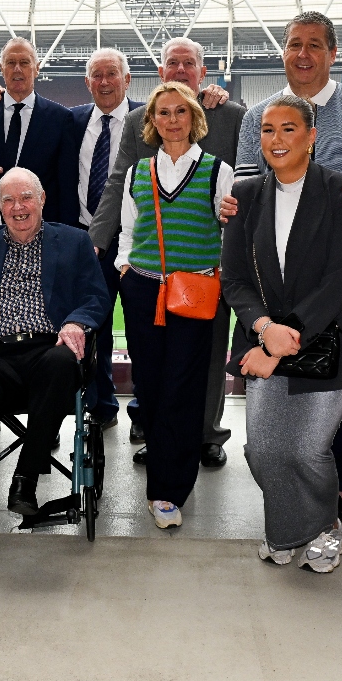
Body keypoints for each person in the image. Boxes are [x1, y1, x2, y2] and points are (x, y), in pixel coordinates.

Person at [226, 11, 342, 538]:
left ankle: (331, 502)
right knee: (275, 428)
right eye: (294, 44)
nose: (303, 53)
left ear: (332, 53)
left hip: (339, 278)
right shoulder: (258, 114)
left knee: (328, 408)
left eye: (314, 45)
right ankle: (292, 520)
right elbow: (251, 194)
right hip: (275, 284)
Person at [88, 37, 242, 466]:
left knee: (209, 353)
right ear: (160, 74)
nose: (179, 70)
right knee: (155, 356)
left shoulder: (231, 117)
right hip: (151, 267)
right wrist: (101, 242)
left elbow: (245, 186)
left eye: (188, 64)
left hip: (205, 266)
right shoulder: (140, 119)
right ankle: (160, 433)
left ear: (203, 73)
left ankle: (208, 434)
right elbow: (119, 182)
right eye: (171, 63)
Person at [0, 168, 109, 526]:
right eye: (8, 200)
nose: (18, 207)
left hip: (49, 347)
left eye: (26, 197)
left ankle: (25, 483)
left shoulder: (74, 241)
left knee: (61, 363)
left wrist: (75, 322)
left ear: (42, 200)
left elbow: (96, 297)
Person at [115, 82, 235, 529]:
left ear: (193, 119)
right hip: (143, 290)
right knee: (150, 385)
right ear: (152, 122)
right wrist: (126, 267)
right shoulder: (137, 172)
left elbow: (230, 234)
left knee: (183, 389)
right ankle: (161, 476)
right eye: (162, 112)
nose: (171, 120)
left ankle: (170, 489)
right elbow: (128, 231)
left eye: (179, 112)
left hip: (192, 293)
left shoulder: (216, 171)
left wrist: (213, 275)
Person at [57, 47, 143, 427]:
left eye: (112, 74)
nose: (105, 82)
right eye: (97, 75)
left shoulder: (149, 118)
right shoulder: (70, 121)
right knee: (93, 328)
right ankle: (101, 407)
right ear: (87, 82)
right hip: (85, 239)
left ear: (127, 79)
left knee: (143, 331)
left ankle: (145, 411)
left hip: (140, 241)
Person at [0, 37, 73, 222]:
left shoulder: (60, 118)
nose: (17, 69)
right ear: (1, 68)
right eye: (11, 63)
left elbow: (66, 184)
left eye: (24, 62)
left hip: (43, 228)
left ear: (36, 68)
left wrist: (66, 234)